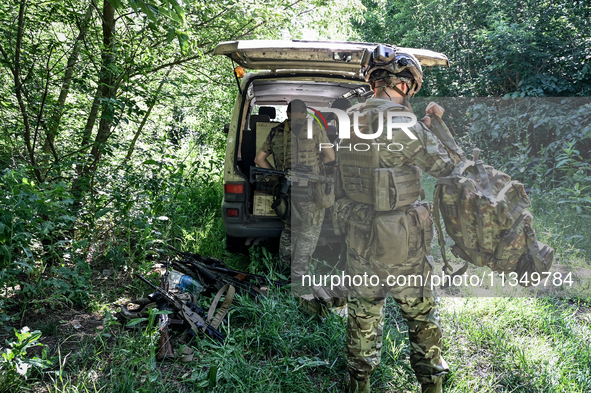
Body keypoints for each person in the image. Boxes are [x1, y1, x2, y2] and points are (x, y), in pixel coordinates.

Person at [335, 45, 462, 393]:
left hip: (360, 236)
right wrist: (437, 124)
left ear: (374, 81)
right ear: (404, 84)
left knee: (363, 318)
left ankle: (358, 383)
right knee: (421, 317)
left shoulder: (348, 120)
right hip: (403, 241)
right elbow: (448, 167)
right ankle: (431, 384)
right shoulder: (404, 124)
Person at [254, 99, 335, 284]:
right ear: (305, 114)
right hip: (310, 191)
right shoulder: (314, 128)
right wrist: (317, 165)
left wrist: (277, 177)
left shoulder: (276, 131)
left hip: (286, 190)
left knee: (290, 229)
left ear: (287, 113)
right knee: (307, 233)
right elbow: (331, 156)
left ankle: (282, 270)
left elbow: (259, 159)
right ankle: (298, 278)